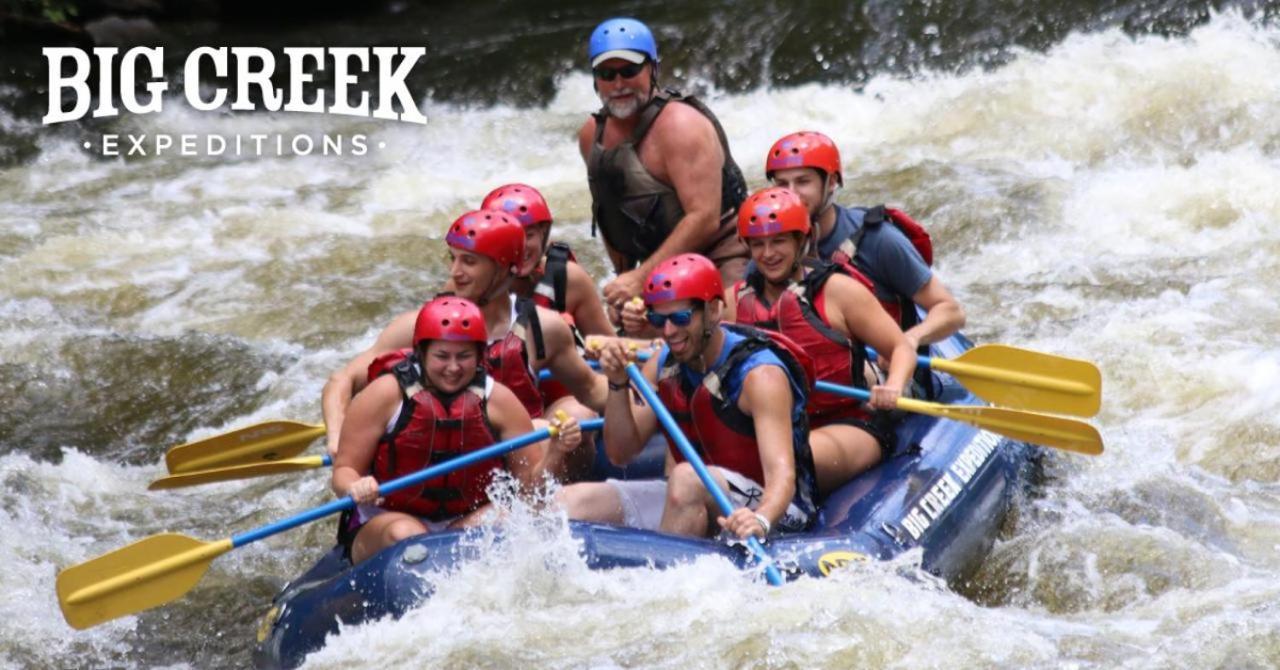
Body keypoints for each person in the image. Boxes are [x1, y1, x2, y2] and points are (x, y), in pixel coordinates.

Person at [322, 210, 607, 481]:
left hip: (519, 463)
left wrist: (630, 376)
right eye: (453, 259)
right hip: (441, 463)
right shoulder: (418, 327)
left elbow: (593, 390)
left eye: (469, 262)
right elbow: (342, 380)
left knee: (563, 422)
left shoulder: (543, 327)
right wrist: (337, 438)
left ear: (503, 267)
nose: (455, 272)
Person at [558, 253, 817, 541]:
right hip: (695, 490)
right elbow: (621, 454)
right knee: (569, 502)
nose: (669, 332)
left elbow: (783, 478)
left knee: (685, 479)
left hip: (775, 511)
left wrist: (761, 520)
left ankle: (660, 576)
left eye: (681, 318)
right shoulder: (662, 363)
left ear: (714, 310)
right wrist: (618, 383)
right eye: (659, 318)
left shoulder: (760, 375)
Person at [331, 297, 583, 564]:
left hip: (464, 522)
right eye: (442, 356)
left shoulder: (500, 401)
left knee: (508, 518)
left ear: (479, 356)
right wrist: (355, 485)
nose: (453, 368)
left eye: (464, 357)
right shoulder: (383, 395)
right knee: (407, 534)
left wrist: (557, 451)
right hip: (386, 522)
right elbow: (343, 471)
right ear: (422, 352)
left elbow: (531, 490)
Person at [727, 187, 916, 496]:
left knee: (785, 457)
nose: (768, 253)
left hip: (845, 422)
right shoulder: (733, 302)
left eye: (778, 241)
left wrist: (894, 384)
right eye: (758, 244)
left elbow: (901, 347)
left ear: (801, 240)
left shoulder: (838, 291)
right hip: (771, 430)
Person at [579, 17, 751, 322]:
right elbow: (611, 215)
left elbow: (705, 219)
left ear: (653, 69)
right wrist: (624, 283)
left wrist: (640, 279)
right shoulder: (592, 135)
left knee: (719, 331)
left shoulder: (681, 127)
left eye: (629, 71)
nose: (618, 84)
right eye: (607, 74)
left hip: (722, 258)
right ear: (595, 80)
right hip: (661, 271)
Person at [765, 131, 965, 361]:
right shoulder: (769, 250)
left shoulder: (878, 239)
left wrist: (908, 340)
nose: (790, 193)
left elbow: (950, 310)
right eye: (781, 183)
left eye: (802, 181)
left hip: (889, 376)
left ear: (831, 182)